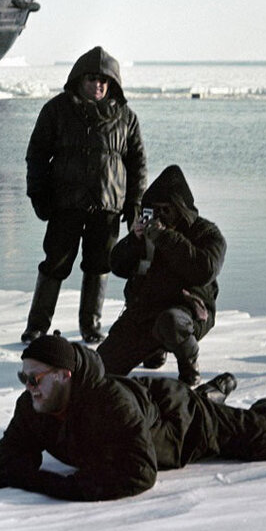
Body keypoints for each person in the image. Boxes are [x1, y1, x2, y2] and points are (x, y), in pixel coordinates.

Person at [0, 335, 266, 501]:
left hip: (183, 422)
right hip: (144, 408)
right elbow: (8, 457)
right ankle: (213, 392)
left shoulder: (109, 404)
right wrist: (20, 468)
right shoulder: (33, 404)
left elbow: (138, 474)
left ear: (64, 375)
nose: (28, 388)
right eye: (23, 378)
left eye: (35, 378)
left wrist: (42, 482)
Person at [23, 46, 147, 345]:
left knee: (99, 264)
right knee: (55, 263)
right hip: (65, 203)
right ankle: (37, 326)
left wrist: (135, 207)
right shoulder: (57, 110)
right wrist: (38, 194)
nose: (98, 84)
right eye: (92, 79)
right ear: (79, 79)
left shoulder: (126, 118)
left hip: (107, 206)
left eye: (104, 80)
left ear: (113, 83)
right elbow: (37, 155)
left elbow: (138, 165)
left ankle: (91, 325)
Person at [96, 164, 224, 385]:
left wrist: (166, 237)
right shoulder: (146, 234)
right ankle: (152, 350)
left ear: (179, 208)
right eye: (154, 209)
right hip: (145, 311)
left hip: (189, 312)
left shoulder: (206, 233)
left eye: (165, 209)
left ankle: (189, 365)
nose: (160, 215)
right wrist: (133, 241)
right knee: (101, 367)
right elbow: (117, 266)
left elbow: (204, 270)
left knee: (172, 322)